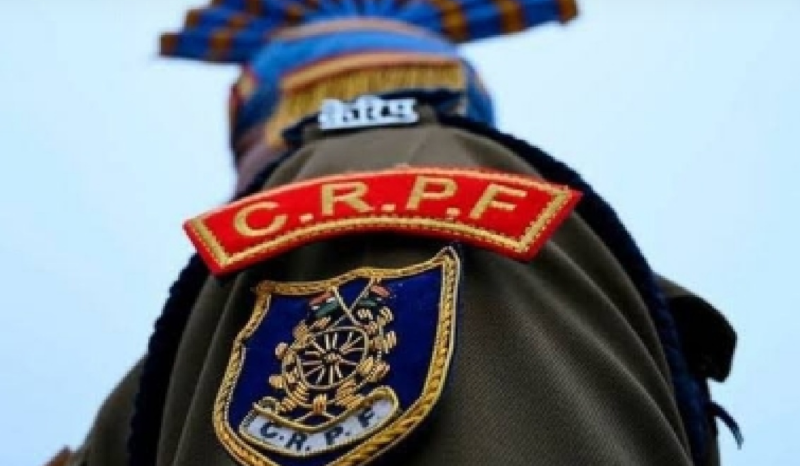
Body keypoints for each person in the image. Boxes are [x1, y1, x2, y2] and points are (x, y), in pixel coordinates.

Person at [48, 1, 739, 465]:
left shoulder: (359, 167)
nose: (241, 172)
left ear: (284, 120)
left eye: (245, 141)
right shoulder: (181, 354)